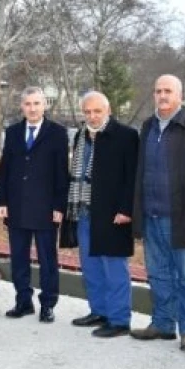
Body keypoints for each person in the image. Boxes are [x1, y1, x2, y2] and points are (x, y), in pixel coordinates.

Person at [132, 75, 185, 351]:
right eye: (158, 91)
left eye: (168, 91)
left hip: (182, 219)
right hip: (152, 215)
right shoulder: (148, 126)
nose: (162, 95)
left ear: (180, 95)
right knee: (158, 273)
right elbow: (141, 170)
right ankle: (162, 324)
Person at [61, 91, 139, 338]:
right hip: (84, 210)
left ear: (109, 110)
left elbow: (133, 177)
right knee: (91, 266)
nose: (92, 116)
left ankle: (119, 320)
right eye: (87, 112)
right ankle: (99, 311)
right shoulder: (81, 136)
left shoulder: (126, 136)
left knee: (114, 267)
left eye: (97, 111)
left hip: (112, 213)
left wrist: (127, 209)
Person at [0, 87, 69, 323]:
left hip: (46, 209)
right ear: (22, 106)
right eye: (28, 104)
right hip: (16, 207)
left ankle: (48, 304)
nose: (32, 108)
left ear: (44, 105)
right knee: (19, 257)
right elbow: (5, 169)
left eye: (37, 103)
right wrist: (2, 201)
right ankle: (23, 301)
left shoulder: (57, 133)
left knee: (48, 260)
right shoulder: (13, 132)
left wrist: (59, 206)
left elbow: (61, 173)